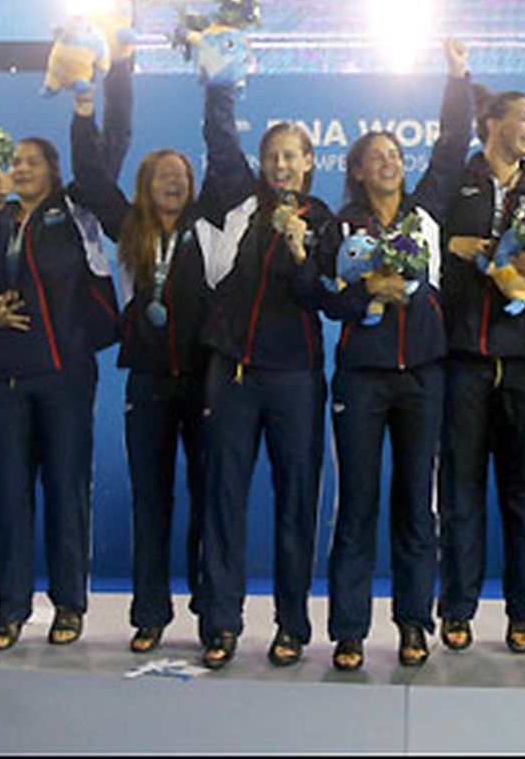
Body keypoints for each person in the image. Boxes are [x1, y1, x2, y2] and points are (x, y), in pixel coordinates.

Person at [317, 39, 473, 670]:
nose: (388, 161)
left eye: (394, 155)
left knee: (416, 504)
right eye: (375, 156)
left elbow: (450, 146)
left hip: (424, 377)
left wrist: (458, 78)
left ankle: (414, 623)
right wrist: (363, 295)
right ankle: (350, 630)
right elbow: (325, 301)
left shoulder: (427, 212)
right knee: (355, 506)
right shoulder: (339, 224)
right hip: (362, 379)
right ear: (356, 170)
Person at [66, 53, 213, 653]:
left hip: (207, 383)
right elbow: (90, 173)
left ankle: (212, 607)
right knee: (151, 502)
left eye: (180, 174)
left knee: (209, 497)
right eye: (161, 176)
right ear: (145, 188)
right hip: (148, 385)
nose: (173, 182)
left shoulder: (209, 228)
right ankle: (150, 613)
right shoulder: (127, 227)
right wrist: (101, 90)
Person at [194, 95, 333, 670]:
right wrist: (218, 83)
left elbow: (322, 295)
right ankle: (220, 624)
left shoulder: (324, 218)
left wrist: (302, 250)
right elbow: (219, 141)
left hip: (295, 378)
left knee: (296, 503)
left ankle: (292, 626)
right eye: (272, 156)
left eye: (290, 156)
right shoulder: (239, 204)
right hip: (233, 373)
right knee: (223, 500)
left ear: (307, 163)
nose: (280, 165)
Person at [0, 134, 122, 651]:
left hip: (66, 377)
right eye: (16, 162)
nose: (22, 169)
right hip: (6, 379)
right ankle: (9, 610)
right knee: (9, 498)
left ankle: (68, 605)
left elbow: (106, 150)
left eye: (33, 162)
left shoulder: (76, 210)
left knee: (66, 491)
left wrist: (90, 96)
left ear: (54, 171)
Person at [437, 84, 525, 654]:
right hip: (466, 359)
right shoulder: (455, 181)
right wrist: (458, 246)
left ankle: (524, 614)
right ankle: (458, 610)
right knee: (461, 491)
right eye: (524, 117)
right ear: (490, 123)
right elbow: (427, 247)